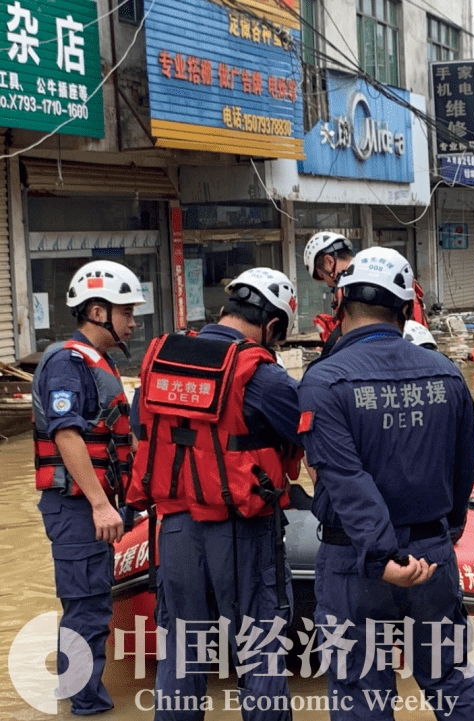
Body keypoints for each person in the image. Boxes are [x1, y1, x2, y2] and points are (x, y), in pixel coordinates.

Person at [298, 247, 474, 720]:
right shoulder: (446, 374)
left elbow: (342, 477)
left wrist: (381, 555)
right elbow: (464, 462)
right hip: (432, 553)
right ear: (408, 308)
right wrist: (444, 535)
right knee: (452, 677)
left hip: (356, 561)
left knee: (359, 688)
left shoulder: (323, 381)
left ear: (340, 304)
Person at [125, 268, 304, 720]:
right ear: (273, 325)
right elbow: (310, 436)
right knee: (260, 643)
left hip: (174, 528)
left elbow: (138, 432)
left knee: (183, 649)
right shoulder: (263, 375)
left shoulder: (161, 363)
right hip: (242, 529)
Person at [33, 260, 144, 715]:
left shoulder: (100, 364)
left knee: (94, 605)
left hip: (94, 505)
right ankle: (85, 705)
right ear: (98, 311)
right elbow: (66, 434)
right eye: (126, 312)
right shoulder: (67, 362)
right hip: (76, 508)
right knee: (86, 610)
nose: (133, 322)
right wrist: (101, 505)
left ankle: (80, 697)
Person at [304, 233, 428, 355]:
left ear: (329, 262)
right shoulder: (395, 278)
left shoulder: (346, 289)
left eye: (323, 276)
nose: (328, 284)